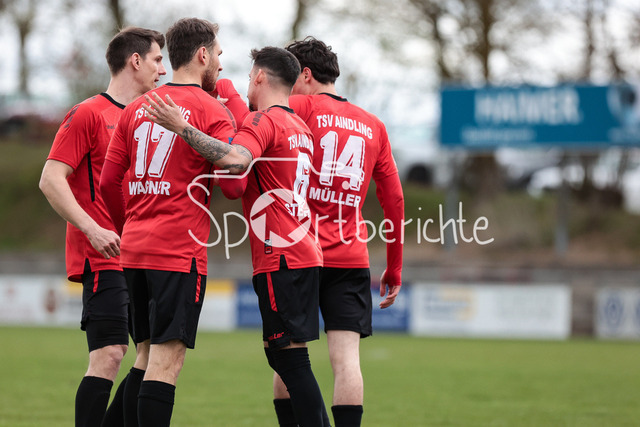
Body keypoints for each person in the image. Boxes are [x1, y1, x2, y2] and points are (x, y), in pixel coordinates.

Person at [142, 46, 330, 427]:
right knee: (283, 357)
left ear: (259, 77)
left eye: (248, 77)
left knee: (292, 361)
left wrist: (182, 127)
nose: (245, 85)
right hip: (304, 252)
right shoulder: (301, 127)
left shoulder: (263, 120)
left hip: (281, 257)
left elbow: (234, 161)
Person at [99, 18, 237, 427]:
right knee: (166, 363)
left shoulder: (136, 108)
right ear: (202, 55)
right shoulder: (212, 110)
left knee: (144, 358)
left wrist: (130, 224)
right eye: (219, 54)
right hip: (178, 252)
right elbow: (235, 184)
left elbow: (108, 183)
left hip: (134, 250)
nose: (221, 63)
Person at [39, 27, 166, 427]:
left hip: (144, 255)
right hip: (104, 256)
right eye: (157, 59)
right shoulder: (88, 113)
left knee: (152, 357)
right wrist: (92, 228)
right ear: (135, 61)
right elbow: (51, 179)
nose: (162, 69)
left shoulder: (150, 119)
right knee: (110, 354)